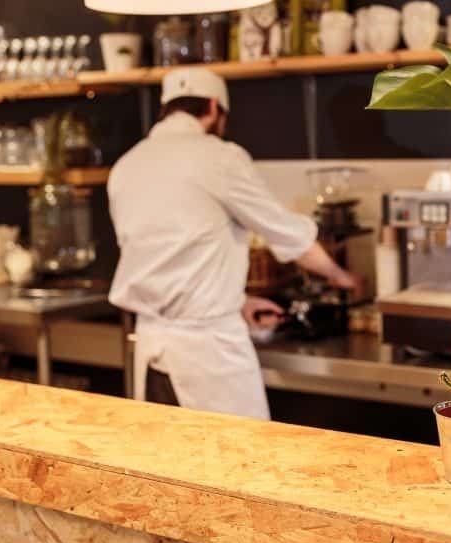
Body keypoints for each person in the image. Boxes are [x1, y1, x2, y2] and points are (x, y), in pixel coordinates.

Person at [108, 68, 357, 420]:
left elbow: (165, 258)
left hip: (151, 350)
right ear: (214, 107)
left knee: (164, 467)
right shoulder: (219, 157)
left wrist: (238, 301)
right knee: (239, 467)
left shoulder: (126, 165)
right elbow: (289, 236)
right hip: (209, 356)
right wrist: (342, 277)